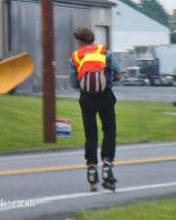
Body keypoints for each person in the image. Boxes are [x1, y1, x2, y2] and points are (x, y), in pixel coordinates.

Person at [69, 27, 120, 192]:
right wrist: (110, 79)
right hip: (105, 96)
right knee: (109, 130)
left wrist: (84, 85)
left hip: (87, 99)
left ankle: (91, 170)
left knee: (90, 134)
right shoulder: (104, 51)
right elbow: (117, 73)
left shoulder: (76, 56)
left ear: (80, 41)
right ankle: (107, 165)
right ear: (92, 39)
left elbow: (73, 82)